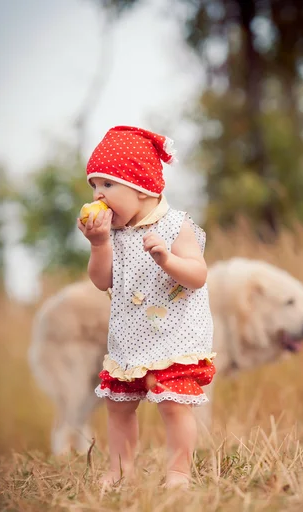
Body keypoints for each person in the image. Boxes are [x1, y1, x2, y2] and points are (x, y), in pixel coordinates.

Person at [77, 125, 215, 489]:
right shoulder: (113, 236)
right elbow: (102, 280)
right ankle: (121, 471)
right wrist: (97, 245)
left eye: (107, 185)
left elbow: (198, 276)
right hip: (129, 336)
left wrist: (167, 259)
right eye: (93, 185)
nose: (97, 195)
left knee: (173, 404)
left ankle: (178, 473)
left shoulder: (175, 225)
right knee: (118, 406)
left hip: (174, 335)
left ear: (141, 188)